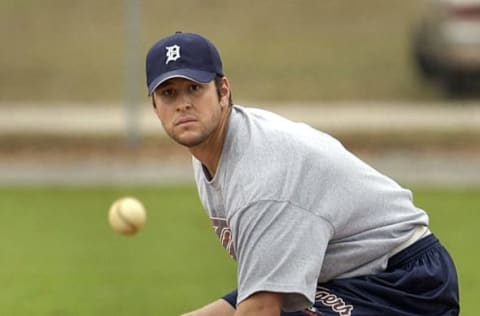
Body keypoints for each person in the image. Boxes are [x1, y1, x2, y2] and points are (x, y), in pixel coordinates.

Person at [145, 32, 459, 316]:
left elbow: (261, 308)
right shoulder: (214, 150)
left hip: (405, 283)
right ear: (155, 107)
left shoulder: (261, 174)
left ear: (223, 91)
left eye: (195, 88)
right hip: (350, 279)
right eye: (169, 93)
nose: (183, 104)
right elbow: (263, 284)